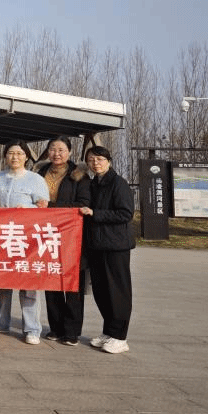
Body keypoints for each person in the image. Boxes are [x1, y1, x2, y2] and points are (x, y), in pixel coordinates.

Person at [0, 140, 49, 345]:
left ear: (26, 156)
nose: (15, 157)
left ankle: (32, 328)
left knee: (29, 284)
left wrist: (27, 209)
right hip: (3, 238)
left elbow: (43, 208)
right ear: (5, 156)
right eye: (11, 153)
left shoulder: (36, 179)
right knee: (2, 282)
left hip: (27, 239)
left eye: (19, 153)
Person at [79, 146, 135, 354]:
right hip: (97, 245)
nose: (96, 163)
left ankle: (120, 337)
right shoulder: (93, 183)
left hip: (116, 246)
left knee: (118, 291)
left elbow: (125, 213)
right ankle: (109, 332)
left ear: (109, 161)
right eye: (91, 160)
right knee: (101, 291)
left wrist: (95, 213)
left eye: (100, 159)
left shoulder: (118, 183)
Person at [37, 136, 91, 346]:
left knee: (72, 285)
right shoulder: (39, 173)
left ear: (69, 152)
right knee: (51, 282)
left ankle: (72, 331)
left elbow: (83, 204)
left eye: (61, 149)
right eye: (52, 149)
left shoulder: (79, 175)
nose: (56, 154)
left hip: (72, 237)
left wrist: (51, 207)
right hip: (46, 235)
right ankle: (56, 327)